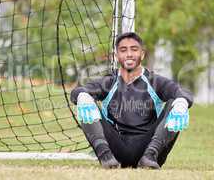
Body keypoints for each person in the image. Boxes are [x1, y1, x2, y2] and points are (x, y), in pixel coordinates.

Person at [70, 32, 193, 169]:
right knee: (85, 100)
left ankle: (150, 156)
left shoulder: (155, 81)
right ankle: (105, 156)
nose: (129, 54)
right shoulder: (109, 82)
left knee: (176, 103)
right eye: (123, 50)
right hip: (115, 149)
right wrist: (82, 96)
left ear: (142, 54)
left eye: (134, 49)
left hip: (149, 148)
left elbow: (182, 92)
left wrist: (182, 102)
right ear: (116, 56)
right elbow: (78, 91)